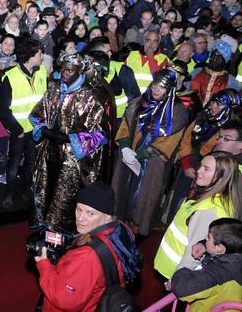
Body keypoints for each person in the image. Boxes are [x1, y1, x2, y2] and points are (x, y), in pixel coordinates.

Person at [35, 182, 142, 311]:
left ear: (106, 215)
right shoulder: (121, 230)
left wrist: (44, 264)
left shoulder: (86, 256)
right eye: (79, 209)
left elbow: (64, 300)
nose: (80, 218)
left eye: (90, 214)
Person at [30, 53, 107, 233]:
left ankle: (62, 231)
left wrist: (69, 139)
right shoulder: (54, 88)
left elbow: (98, 134)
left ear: (79, 72)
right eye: (62, 69)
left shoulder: (88, 96)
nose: (64, 73)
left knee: (64, 194)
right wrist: (44, 130)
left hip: (72, 157)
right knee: (45, 188)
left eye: (69, 70)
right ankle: (45, 225)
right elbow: (37, 113)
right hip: (49, 152)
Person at [112, 68, 189, 236]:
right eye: (154, 85)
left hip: (152, 162)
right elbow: (125, 125)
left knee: (143, 199)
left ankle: (136, 232)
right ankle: (117, 225)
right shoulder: (139, 102)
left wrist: (137, 156)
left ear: (170, 89)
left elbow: (168, 142)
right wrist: (125, 147)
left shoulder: (177, 111)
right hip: (127, 157)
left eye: (161, 87)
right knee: (121, 193)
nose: (156, 89)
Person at [154, 151, 241, 281]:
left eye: (206, 169)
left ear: (222, 178)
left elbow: (193, 253)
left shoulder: (208, 211)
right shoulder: (214, 197)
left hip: (173, 272)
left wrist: (176, 282)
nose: (198, 171)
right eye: (200, 165)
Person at [0, 36, 48, 207]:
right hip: (19, 131)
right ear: (31, 55)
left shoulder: (41, 72)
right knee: (14, 163)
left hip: (36, 129)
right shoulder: (9, 77)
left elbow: (44, 100)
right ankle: (9, 194)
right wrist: (17, 130)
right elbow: (4, 110)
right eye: (40, 53)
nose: (43, 56)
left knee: (32, 163)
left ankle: (27, 191)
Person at [171, 218, 242, 310]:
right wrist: (204, 245)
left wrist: (184, 270)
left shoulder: (220, 272)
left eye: (208, 237)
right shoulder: (235, 256)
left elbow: (183, 288)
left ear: (219, 248)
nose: (205, 238)